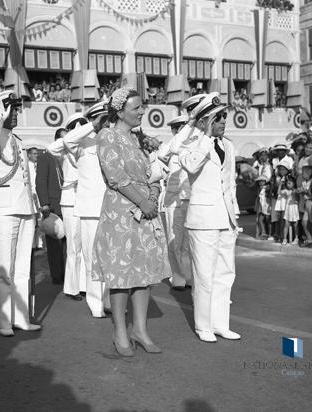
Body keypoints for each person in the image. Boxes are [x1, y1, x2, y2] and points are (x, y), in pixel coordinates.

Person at [93, 88, 170, 356]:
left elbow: (151, 173)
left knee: (143, 272)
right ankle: (120, 331)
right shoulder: (107, 136)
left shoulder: (139, 140)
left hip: (145, 210)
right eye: (136, 108)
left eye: (141, 107)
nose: (141, 112)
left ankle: (140, 329)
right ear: (120, 110)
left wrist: (153, 194)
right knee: (121, 273)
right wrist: (143, 201)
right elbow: (115, 177)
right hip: (121, 212)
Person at [178, 93, 241, 343]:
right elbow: (192, 166)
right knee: (204, 275)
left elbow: (231, 183)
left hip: (225, 217)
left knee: (226, 273)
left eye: (224, 116)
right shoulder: (191, 145)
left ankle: (220, 324)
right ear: (205, 121)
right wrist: (204, 136)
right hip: (203, 219)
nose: (223, 121)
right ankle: (203, 326)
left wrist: (234, 215)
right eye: (217, 117)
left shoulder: (229, 145)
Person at [0, 90, 40, 336]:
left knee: (23, 268)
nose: (15, 114)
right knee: (5, 269)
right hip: (3, 210)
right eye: (10, 109)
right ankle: (4, 320)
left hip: (24, 208)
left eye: (16, 110)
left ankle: (21, 317)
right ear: (0, 111)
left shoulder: (18, 140)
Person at [63, 102, 111, 318]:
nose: (106, 123)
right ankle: (96, 302)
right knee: (93, 258)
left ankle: (109, 300)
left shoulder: (111, 139)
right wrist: (91, 125)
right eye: (103, 119)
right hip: (91, 208)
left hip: (111, 206)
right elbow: (66, 140)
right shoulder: (82, 142)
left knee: (110, 258)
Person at [156, 94, 207, 291]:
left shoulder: (203, 139)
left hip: (194, 197)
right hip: (175, 199)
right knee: (175, 240)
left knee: (190, 243)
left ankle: (189, 276)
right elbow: (163, 153)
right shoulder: (178, 141)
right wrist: (186, 129)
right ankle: (178, 277)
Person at [48, 118, 87, 300]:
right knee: (73, 247)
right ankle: (72, 288)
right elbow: (51, 148)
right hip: (70, 200)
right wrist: (71, 134)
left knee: (86, 246)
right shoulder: (64, 148)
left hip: (85, 201)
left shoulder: (86, 147)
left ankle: (84, 285)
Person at [36, 133, 66, 285]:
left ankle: (69, 275)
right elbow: (40, 181)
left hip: (70, 205)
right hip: (54, 206)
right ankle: (57, 275)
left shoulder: (69, 155)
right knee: (55, 245)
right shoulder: (45, 157)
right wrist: (45, 203)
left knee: (70, 245)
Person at [282, 175, 299, 245]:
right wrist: (281, 184)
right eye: (287, 183)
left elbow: (298, 198)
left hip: (295, 208)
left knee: (295, 224)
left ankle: (296, 237)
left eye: (290, 183)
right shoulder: (286, 191)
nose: (288, 184)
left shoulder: (296, 190)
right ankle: (285, 238)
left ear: (294, 183)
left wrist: (296, 192)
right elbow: (279, 192)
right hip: (288, 208)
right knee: (286, 224)